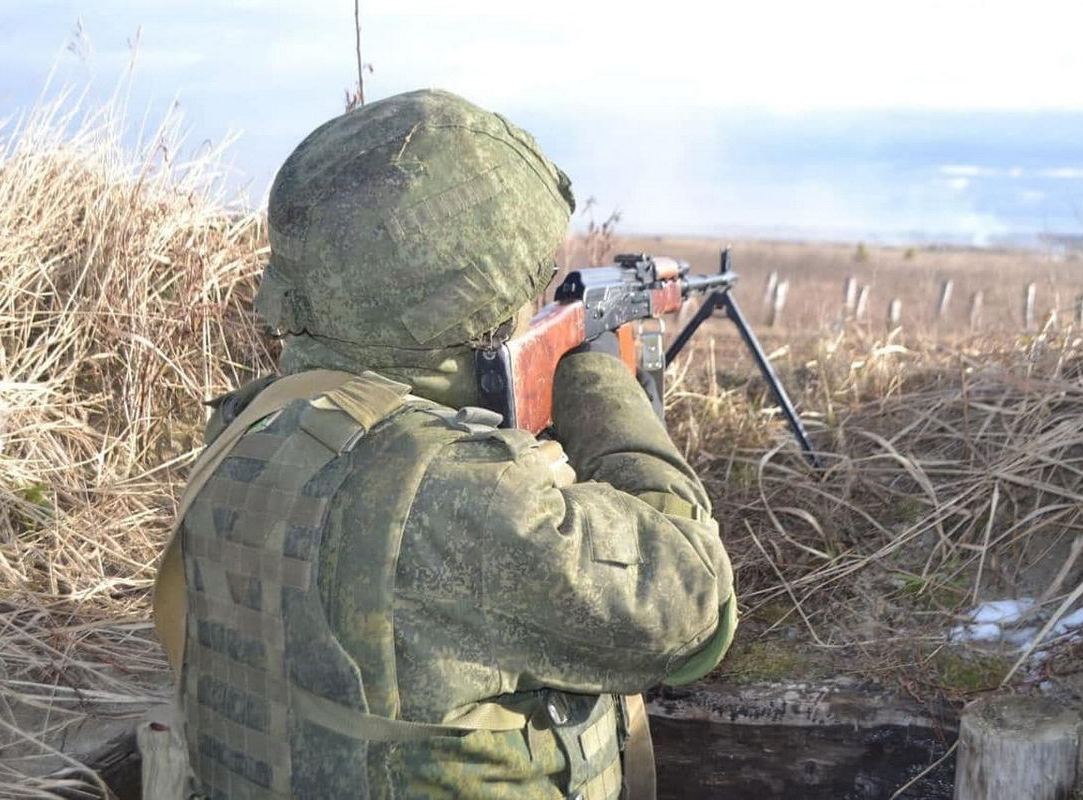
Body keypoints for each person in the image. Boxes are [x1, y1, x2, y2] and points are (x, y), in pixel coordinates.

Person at [152, 88, 736, 800]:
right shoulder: (461, 495)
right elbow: (694, 607)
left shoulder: (250, 428)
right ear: (476, 291)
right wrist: (599, 383)